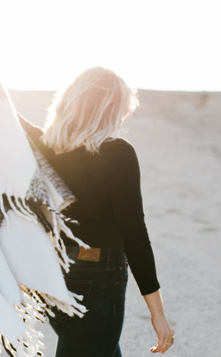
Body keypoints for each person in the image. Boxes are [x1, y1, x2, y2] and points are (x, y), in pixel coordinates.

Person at [18, 67, 175, 357]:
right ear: (107, 110)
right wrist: (158, 313)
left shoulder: (47, 151)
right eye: (122, 109)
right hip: (98, 278)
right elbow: (134, 234)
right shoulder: (118, 153)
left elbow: (15, 122)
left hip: (56, 274)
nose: (124, 117)